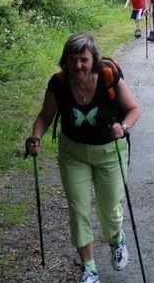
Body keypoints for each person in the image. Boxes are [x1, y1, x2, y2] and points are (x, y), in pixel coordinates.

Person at [25, 32, 141, 283]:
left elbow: (133, 109)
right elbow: (45, 116)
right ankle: (89, 268)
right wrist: (36, 137)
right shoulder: (59, 83)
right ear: (65, 60)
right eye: (73, 59)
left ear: (94, 59)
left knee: (109, 209)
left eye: (84, 60)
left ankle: (116, 238)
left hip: (110, 151)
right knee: (78, 210)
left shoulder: (108, 75)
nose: (78, 65)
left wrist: (123, 127)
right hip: (73, 153)